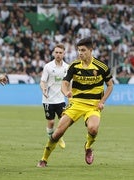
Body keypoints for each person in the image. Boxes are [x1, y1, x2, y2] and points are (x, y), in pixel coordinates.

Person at [37, 37, 113, 167]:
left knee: (93, 129)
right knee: (58, 132)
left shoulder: (101, 67)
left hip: (93, 105)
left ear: (90, 50)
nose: (80, 53)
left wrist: (102, 101)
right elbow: (64, 83)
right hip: (76, 103)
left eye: (83, 50)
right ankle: (44, 159)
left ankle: (88, 147)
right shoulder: (74, 66)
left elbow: (110, 85)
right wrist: (66, 92)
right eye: (78, 50)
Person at [40, 44, 69, 149]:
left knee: (63, 121)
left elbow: (68, 83)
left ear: (64, 54)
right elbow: (43, 81)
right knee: (51, 122)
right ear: (53, 53)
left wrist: (69, 94)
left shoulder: (67, 67)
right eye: (56, 52)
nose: (58, 54)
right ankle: (50, 139)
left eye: (60, 53)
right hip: (48, 99)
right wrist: (43, 89)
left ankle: (59, 137)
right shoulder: (48, 67)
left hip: (61, 99)